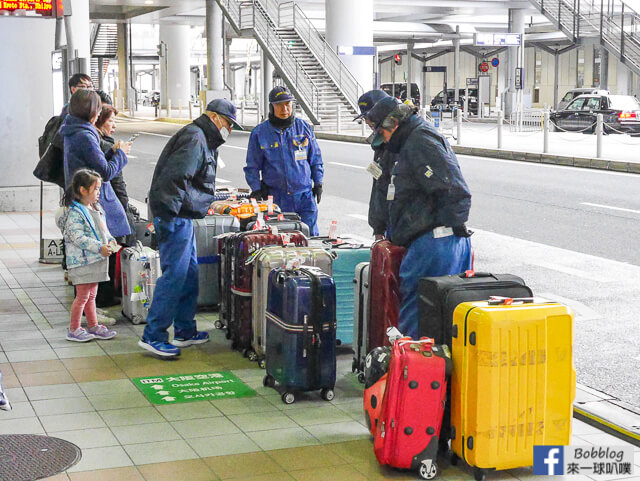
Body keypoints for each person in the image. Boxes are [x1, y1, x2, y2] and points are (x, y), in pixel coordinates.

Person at [141, 99, 243, 358]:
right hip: (174, 216)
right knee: (175, 275)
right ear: (215, 117)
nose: (229, 129)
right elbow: (176, 178)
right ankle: (153, 335)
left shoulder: (203, 139)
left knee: (189, 273)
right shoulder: (195, 138)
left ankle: (185, 330)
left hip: (182, 216)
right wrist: (171, 217)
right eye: (228, 123)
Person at [364, 97, 473, 339]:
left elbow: (454, 189)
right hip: (428, 240)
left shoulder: (420, 140)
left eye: (381, 132)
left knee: (420, 314)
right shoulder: (406, 142)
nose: (383, 140)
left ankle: (413, 372)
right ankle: (423, 370)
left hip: (435, 241)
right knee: (430, 312)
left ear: (392, 124)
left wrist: (449, 229)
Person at [244, 86, 324, 236]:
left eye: (287, 104)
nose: (284, 109)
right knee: (280, 239)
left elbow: (316, 159)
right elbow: (252, 167)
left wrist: (318, 182)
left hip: (304, 197)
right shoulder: (260, 133)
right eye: (279, 105)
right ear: (271, 106)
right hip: (276, 198)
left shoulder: (304, 128)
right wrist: (256, 189)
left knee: (309, 237)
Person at [56, 169, 118, 342]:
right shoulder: (76, 213)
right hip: (82, 262)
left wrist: (111, 242)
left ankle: (93, 325)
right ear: (83, 190)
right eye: (96, 188)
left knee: (91, 296)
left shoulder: (94, 209)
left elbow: (103, 231)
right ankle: (74, 329)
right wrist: (100, 247)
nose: (99, 192)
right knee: (82, 296)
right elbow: (77, 237)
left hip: (94, 260)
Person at [94, 103, 136, 306]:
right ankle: (103, 298)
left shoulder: (94, 139)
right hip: (104, 201)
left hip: (103, 200)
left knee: (109, 248)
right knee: (109, 248)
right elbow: (109, 174)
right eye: (111, 120)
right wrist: (119, 153)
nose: (114, 125)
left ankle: (104, 296)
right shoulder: (96, 142)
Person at [354, 89, 393, 240]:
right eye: (364, 117)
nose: (367, 121)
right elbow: (379, 187)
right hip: (391, 225)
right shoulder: (381, 142)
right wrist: (378, 228)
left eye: (369, 116)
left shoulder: (402, 142)